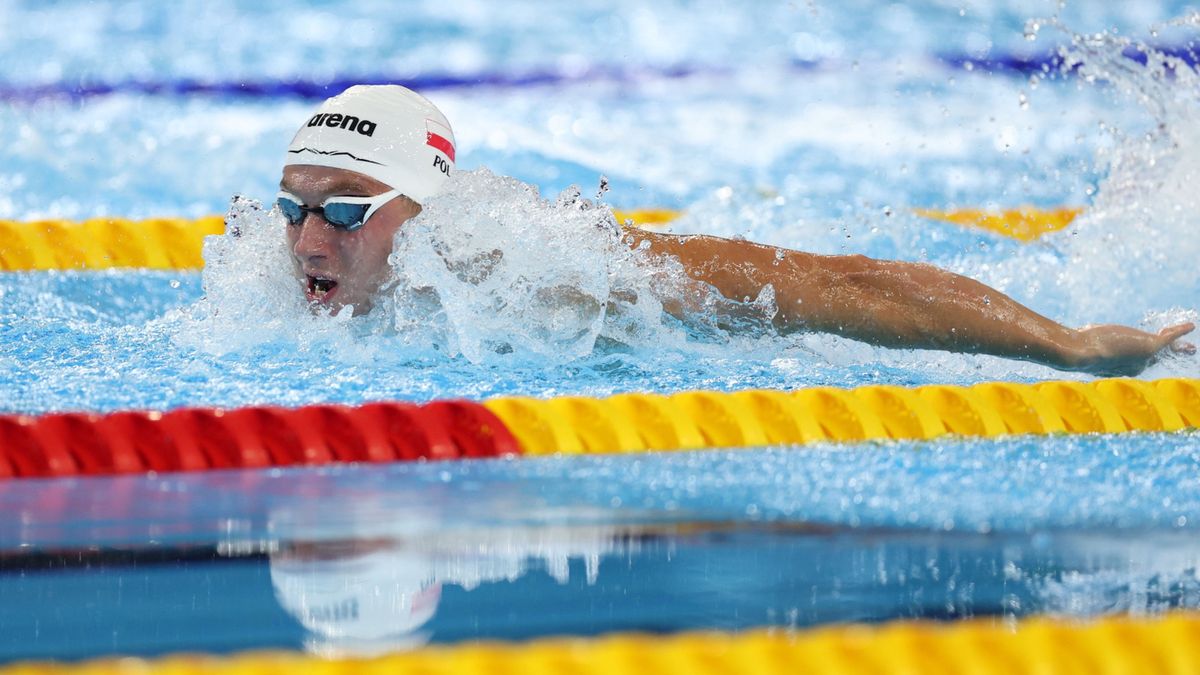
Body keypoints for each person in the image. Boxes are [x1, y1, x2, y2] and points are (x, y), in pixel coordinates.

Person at [279, 85, 1194, 377]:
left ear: (426, 217)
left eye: (348, 211)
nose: (308, 243)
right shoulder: (260, 276)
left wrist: (1069, 343)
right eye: (294, 206)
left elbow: (843, 287)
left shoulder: (542, 271)